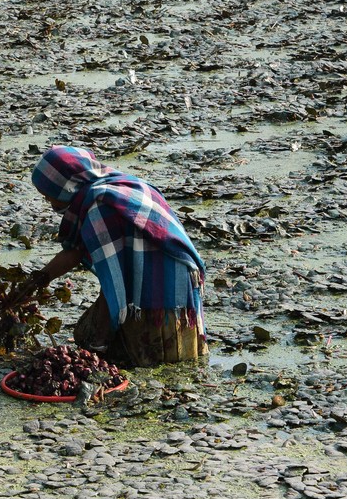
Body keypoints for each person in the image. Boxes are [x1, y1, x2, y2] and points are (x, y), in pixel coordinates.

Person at [20, 145, 207, 368]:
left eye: (50, 197)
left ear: (65, 187)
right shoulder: (115, 183)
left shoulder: (100, 207)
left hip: (163, 293)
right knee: (86, 332)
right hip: (182, 280)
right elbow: (75, 251)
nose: (50, 205)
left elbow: (116, 282)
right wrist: (37, 280)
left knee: (98, 342)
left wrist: (96, 349)